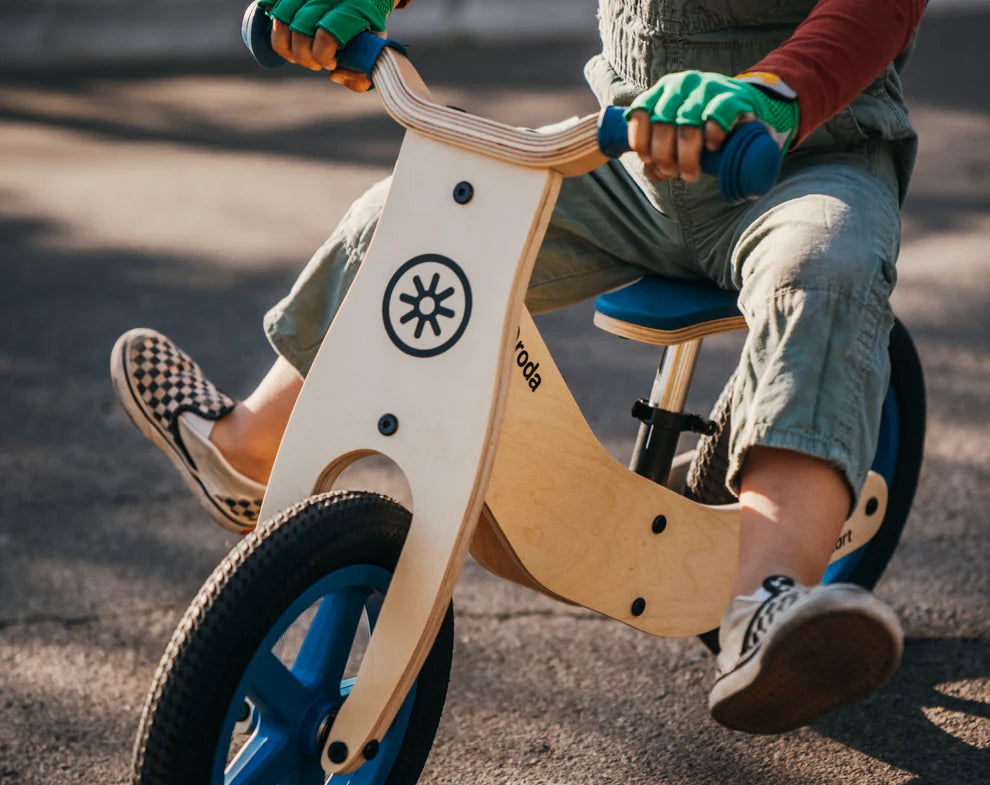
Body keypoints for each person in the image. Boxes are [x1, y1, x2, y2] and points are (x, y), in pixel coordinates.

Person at [111, 0, 927, 734]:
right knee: (422, 212)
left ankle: (766, 604)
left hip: (803, 158)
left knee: (822, 271)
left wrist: (773, 90)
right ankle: (248, 451)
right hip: (631, 160)